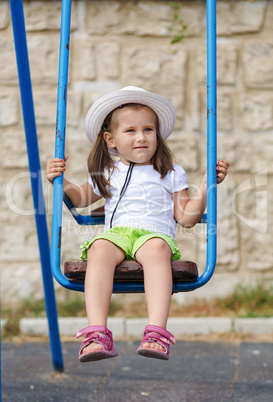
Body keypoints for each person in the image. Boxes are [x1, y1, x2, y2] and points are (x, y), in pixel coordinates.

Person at [47, 86, 229, 362]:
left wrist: (206, 187)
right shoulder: (109, 171)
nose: (141, 137)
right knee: (98, 248)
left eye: (148, 130)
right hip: (118, 236)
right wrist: (61, 182)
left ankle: (156, 332)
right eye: (130, 131)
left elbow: (187, 218)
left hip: (154, 236)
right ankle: (98, 333)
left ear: (157, 134)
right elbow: (82, 198)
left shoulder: (170, 172)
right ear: (110, 139)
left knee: (156, 249)